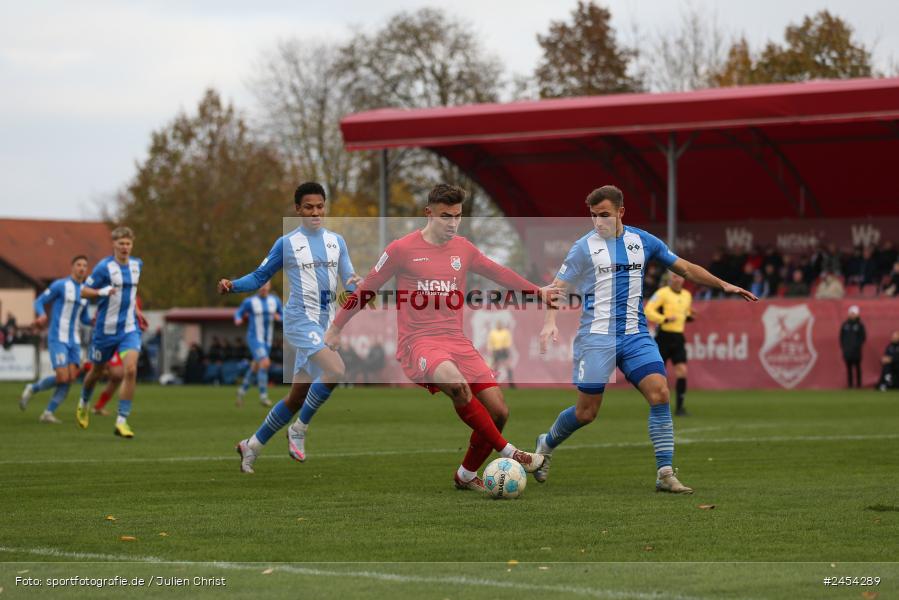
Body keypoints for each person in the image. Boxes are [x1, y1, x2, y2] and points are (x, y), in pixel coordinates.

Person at [324, 183, 561, 490]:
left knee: (499, 411)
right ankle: (511, 452)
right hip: (418, 341)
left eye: (457, 216)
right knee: (458, 386)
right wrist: (336, 326)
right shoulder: (401, 249)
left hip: (456, 340)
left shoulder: (463, 249)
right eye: (445, 216)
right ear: (429, 213)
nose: (452, 223)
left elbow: (498, 272)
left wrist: (537, 291)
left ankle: (465, 475)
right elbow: (367, 288)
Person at [536, 185, 757, 494]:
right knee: (586, 413)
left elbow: (685, 267)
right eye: (593, 216)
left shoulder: (643, 241)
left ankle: (665, 472)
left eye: (604, 215)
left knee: (660, 393)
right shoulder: (583, 248)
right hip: (596, 338)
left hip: (636, 335)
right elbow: (556, 288)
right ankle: (545, 444)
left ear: (621, 212)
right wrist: (549, 322)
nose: (598, 222)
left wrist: (724, 285)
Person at [219, 182, 362, 473]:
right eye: (308, 207)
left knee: (297, 397)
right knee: (335, 370)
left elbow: (347, 276)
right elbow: (260, 277)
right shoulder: (286, 244)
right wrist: (233, 285)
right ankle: (299, 429)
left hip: (326, 324)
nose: (315, 212)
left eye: (320, 206)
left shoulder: (337, 241)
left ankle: (252, 445)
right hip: (299, 321)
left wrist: (355, 282)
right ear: (297, 209)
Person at [76, 226, 146, 438]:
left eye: (128, 243)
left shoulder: (137, 265)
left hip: (128, 329)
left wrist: (137, 311)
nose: (125, 247)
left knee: (131, 369)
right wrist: (101, 291)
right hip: (104, 331)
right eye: (121, 243)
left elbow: (131, 293)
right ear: (114, 245)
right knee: (96, 372)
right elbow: (83, 291)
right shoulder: (103, 268)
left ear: (132, 245)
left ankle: (122, 420)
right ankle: (84, 403)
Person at [19, 256, 108, 422]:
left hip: (74, 340)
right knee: (62, 377)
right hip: (57, 337)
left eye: (85, 266)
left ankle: (48, 413)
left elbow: (84, 318)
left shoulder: (85, 292)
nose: (82, 268)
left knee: (71, 378)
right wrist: (42, 315)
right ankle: (32, 388)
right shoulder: (61, 285)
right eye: (79, 265)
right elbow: (39, 301)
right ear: (72, 267)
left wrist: (94, 321)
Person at [645, 272, 694, 416]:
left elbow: (685, 312)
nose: (676, 279)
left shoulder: (687, 295)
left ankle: (680, 408)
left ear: (683, 279)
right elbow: (648, 310)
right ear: (669, 279)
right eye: (674, 276)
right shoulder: (662, 293)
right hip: (664, 337)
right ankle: (658, 406)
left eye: (679, 276)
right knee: (660, 375)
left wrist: (689, 315)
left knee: (682, 372)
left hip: (678, 337)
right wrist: (664, 319)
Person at [234, 280, 283, 407]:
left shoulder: (275, 301)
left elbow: (284, 315)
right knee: (265, 363)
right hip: (254, 338)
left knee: (256, 367)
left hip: (267, 341)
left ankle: (241, 392)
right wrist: (238, 319)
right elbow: (238, 313)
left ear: (270, 286)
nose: (264, 288)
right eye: (261, 285)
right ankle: (263, 396)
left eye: (266, 285)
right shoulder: (250, 301)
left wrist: (280, 318)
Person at [839, 305, 866, 389]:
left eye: (853, 313)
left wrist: (856, 345)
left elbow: (863, 337)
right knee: (849, 368)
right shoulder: (845, 325)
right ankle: (850, 385)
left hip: (856, 351)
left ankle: (859, 385)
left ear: (857, 314)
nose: (852, 315)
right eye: (851, 313)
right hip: (847, 350)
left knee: (857, 368)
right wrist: (844, 347)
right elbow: (841, 337)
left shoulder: (860, 325)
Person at [486, 321, 514, 387]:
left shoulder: (506, 332)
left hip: (504, 350)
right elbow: (490, 342)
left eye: (500, 324)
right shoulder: (493, 332)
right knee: (495, 367)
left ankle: (511, 383)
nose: (499, 325)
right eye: (498, 324)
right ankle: (494, 383)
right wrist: (490, 350)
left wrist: (506, 348)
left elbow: (508, 341)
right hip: (496, 350)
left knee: (508, 366)